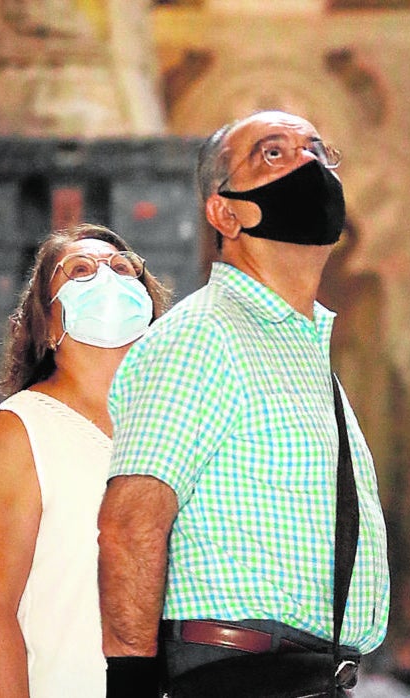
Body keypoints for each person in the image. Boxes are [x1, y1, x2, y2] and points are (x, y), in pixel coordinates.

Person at [96, 111, 390, 696]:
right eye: (273, 154)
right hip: (236, 673)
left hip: (306, 676)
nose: (307, 163)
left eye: (316, 149)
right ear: (225, 212)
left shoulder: (296, 346)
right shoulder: (204, 334)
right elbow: (130, 524)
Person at [0, 223, 169, 697]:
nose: (109, 279)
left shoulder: (171, 427)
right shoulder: (21, 428)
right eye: (81, 271)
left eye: (123, 269)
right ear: (48, 323)